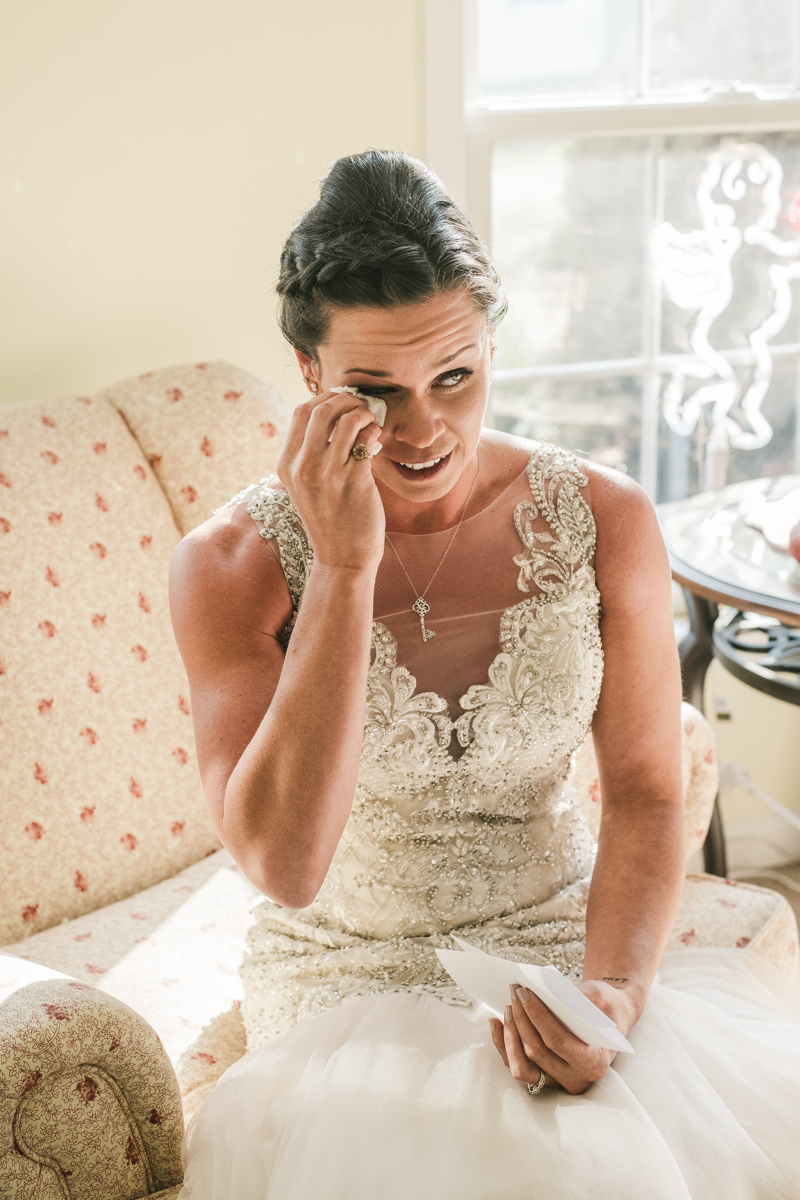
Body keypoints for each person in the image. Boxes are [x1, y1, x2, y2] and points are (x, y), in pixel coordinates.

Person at [171, 150, 800, 1199]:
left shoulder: (602, 519)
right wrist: (341, 563)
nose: (422, 433)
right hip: (345, 973)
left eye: (454, 378)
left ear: (493, 346)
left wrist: (608, 997)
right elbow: (283, 864)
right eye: (375, 393)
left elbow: (646, 790)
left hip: (556, 943)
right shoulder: (230, 564)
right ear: (308, 374)